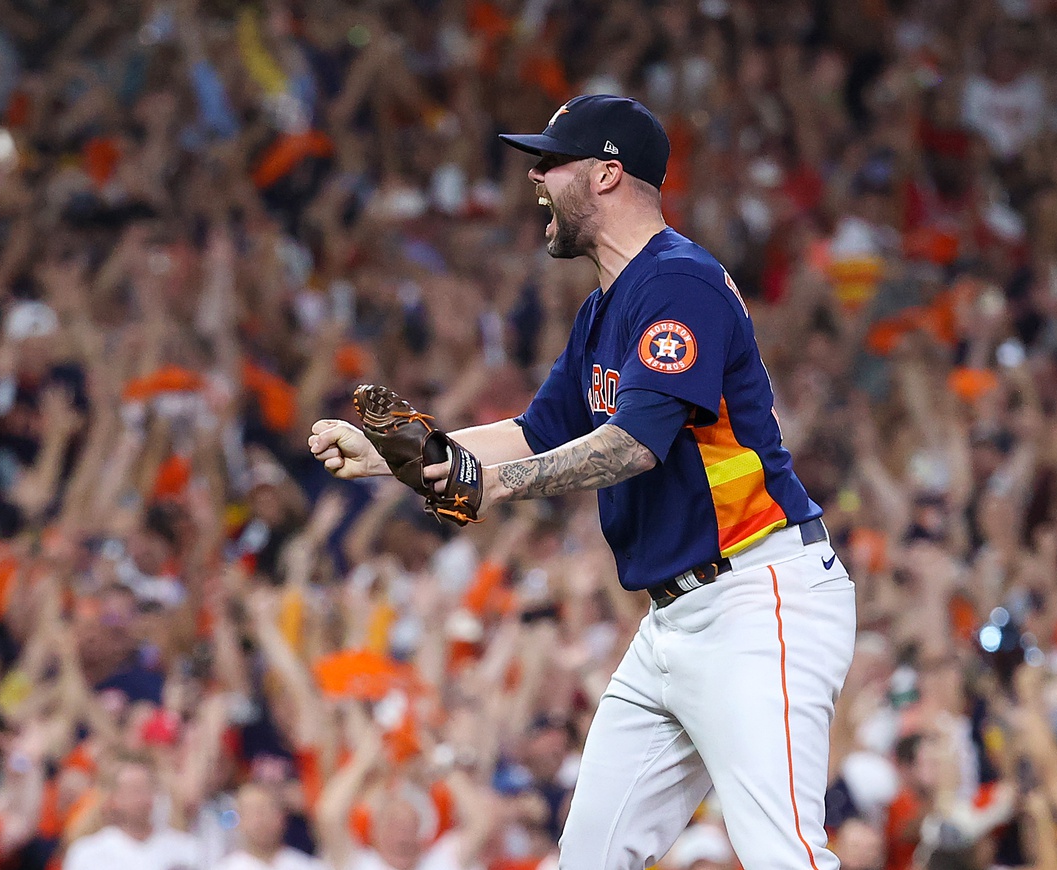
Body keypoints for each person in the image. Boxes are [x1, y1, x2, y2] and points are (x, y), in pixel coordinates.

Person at [308, 94, 857, 869]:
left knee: (784, 856)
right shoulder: (605, 308)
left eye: (551, 160)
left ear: (606, 174)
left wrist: (492, 485)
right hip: (674, 617)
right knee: (591, 858)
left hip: (757, 595)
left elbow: (635, 445)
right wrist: (384, 453)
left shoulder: (680, 282)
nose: (534, 176)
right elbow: (537, 430)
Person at [60, 756, 201, 870]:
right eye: (134, 790)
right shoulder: (87, 853)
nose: (143, 798)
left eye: (148, 788)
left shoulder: (186, 848)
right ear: (112, 800)